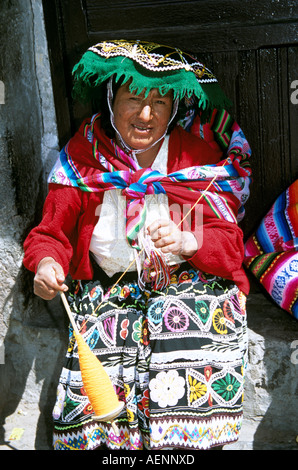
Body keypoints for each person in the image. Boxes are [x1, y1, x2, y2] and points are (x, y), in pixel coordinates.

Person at [23, 40, 252, 450]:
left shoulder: (193, 158)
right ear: (112, 100)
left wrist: (189, 240)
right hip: (111, 290)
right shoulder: (84, 157)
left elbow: (230, 245)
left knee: (178, 323)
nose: (145, 115)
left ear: (174, 110)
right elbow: (49, 234)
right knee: (100, 387)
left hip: (189, 284)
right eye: (133, 99)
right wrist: (45, 264)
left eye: (159, 103)